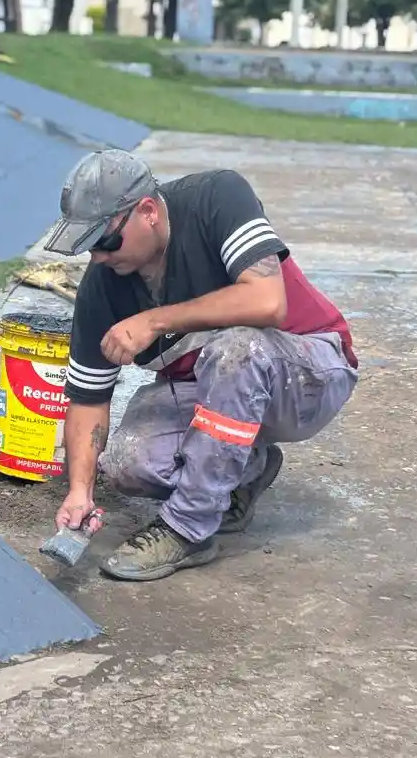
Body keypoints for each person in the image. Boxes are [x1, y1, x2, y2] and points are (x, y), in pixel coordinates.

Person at [43, 148, 360, 582]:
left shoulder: (217, 198)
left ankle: (188, 529)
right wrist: (80, 491)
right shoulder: (103, 289)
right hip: (220, 395)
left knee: (237, 350)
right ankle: (244, 470)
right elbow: (86, 399)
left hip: (309, 373)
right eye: (87, 246)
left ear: (148, 211)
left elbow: (267, 301)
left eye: (104, 241)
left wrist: (154, 320)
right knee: (126, 462)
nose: (97, 257)